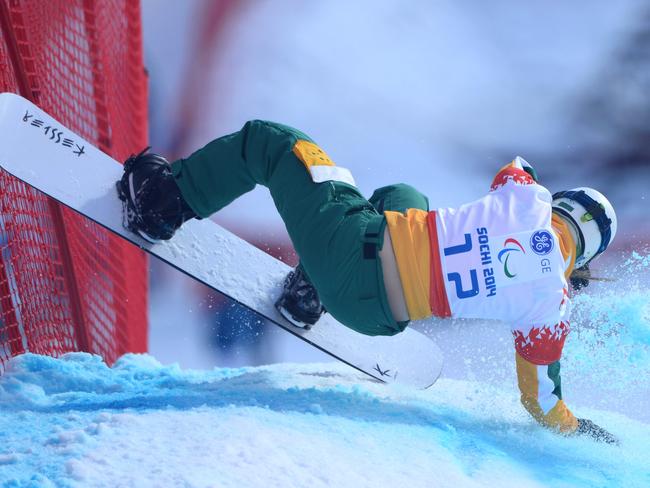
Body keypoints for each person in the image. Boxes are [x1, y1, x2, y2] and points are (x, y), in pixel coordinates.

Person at [116, 120, 618, 444]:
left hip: (353, 252)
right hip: (377, 318)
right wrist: (582, 432)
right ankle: (308, 294)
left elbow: (517, 167)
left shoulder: (529, 198)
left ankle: (162, 203)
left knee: (271, 144)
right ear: (586, 256)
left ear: (562, 206)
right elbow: (541, 404)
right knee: (403, 195)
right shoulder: (550, 306)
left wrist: (535, 189)